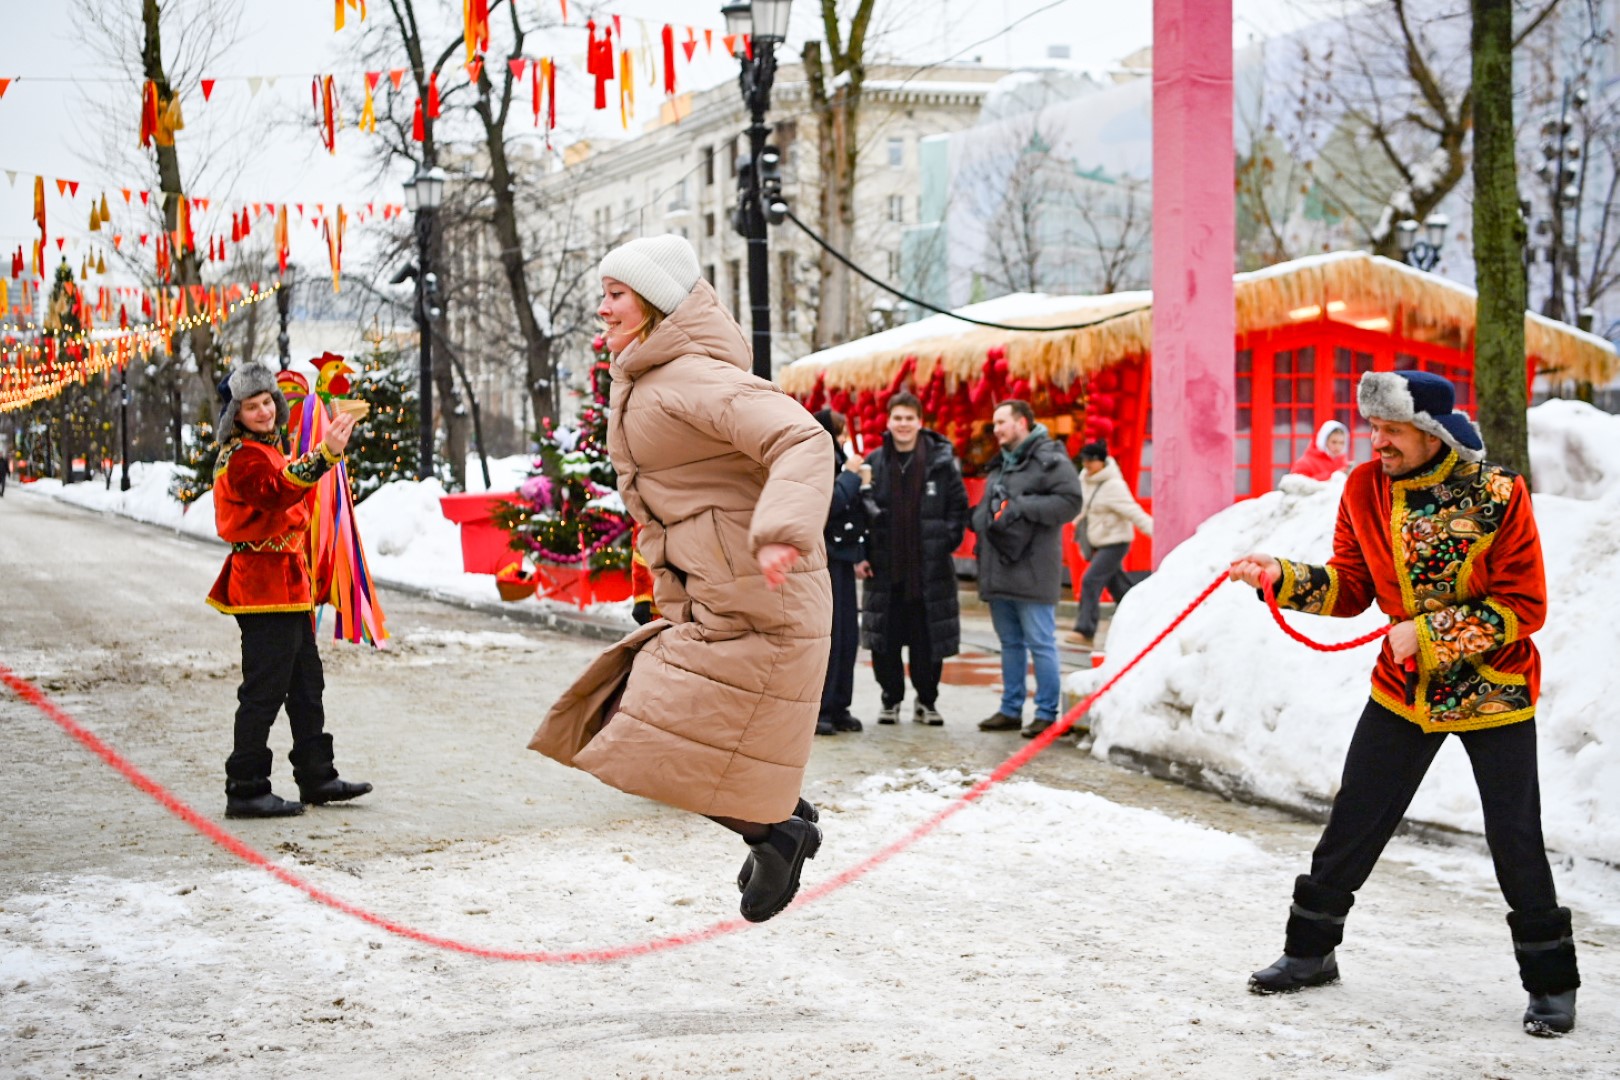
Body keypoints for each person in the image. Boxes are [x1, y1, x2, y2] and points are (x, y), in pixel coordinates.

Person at [1228, 370, 1580, 1037]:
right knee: (1355, 818)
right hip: (1403, 691)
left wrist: (1431, 633)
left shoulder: (1500, 493)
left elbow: (1526, 604)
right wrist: (1282, 577)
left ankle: (1552, 983)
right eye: (1374, 428)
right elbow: (1351, 587)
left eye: (1391, 430)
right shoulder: (1363, 487)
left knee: (1514, 835)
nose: (1378, 442)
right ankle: (1309, 953)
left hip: (1494, 691)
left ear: (1432, 432)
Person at [531, 234, 832, 924]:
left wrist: (782, 528)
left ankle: (777, 830)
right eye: (603, 293)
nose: (602, 307)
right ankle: (777, 820)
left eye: (616, 294)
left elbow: (803, 438)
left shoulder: (691, 377)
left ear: (655, 301)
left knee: (640, 739)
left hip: (763, 596)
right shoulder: (650, 376)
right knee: (632, 727)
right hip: (721, 599)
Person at [207, 363, 373, 819]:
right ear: (236, 414)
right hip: (262, 587)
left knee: (305, 684)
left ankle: (317, 775)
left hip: (287, 583)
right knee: (264, 689)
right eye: (251, 406)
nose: (263, 411)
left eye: (267, 402)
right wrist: (325, 455)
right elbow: (275, 492)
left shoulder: (266, 449)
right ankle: (246, 788)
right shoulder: (242, 457)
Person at [971, 400, 1084, 738]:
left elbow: (1070, 502)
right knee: (1009, 642)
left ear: (1022, 422)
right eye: (994, 423)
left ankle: (1047, 713)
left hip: (1034, 570)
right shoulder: (1001, 463)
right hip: (998, 567)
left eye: (1001, 422)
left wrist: (1021, 508)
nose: (996, 430)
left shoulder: (1050, 458)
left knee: (1040, 642)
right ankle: (1010, 709)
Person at [859, 391, 969, 727]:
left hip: (929, 571)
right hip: (885, 568)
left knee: (928, 642)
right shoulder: (875, 461)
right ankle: (890, 699)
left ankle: (927, 700)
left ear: (920, 422)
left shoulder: (941, 462)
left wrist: (946, 539)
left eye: (909, 418)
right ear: (888, 422)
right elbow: (861, 510)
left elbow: (958, 507)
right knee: (885, 643)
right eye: (898, 418)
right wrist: (862, 554)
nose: (903, 424)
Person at [812, 408, 869, 736]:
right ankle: (821, 708)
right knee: (831, 635)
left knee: (847, 635)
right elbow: (827, 504)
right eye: (841, 431)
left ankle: (839, 705)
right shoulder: (818, 460)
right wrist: (850, 476)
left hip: (844, 555)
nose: (846, 438)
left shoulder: (839, 460)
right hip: (824, 558)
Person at [1067, 440, 1152, 652]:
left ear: (1102, 461)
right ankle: (1143, 620)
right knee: (1120, 589)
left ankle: (1085, 631)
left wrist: (1158, 534)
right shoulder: (1085, 480)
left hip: (1115, 542)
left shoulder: (1114, 485)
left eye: (1091, 460)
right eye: (1084, 460)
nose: (1086, 464)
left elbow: (1133, 512)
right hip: (1098, 541)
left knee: (1090, 580)